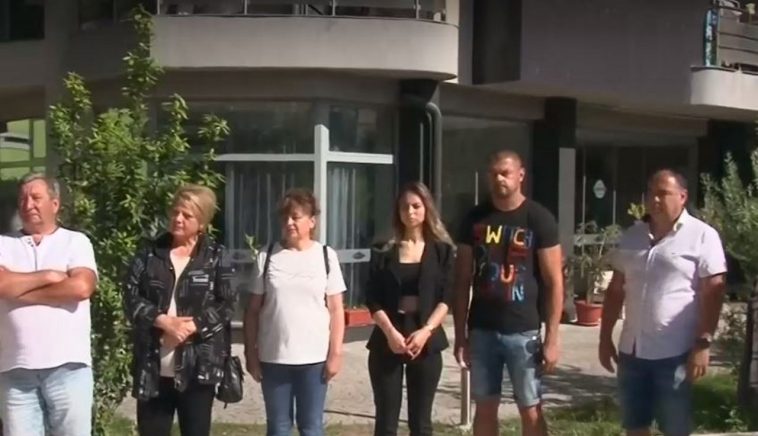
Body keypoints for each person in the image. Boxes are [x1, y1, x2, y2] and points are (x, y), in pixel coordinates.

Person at [598, 169, 727, 436]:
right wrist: (604, 337)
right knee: (635, 425)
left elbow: (713, 292)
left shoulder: (702, 236)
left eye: (663, 194)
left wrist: (703, 342)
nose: (655, 200)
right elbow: (615, 291)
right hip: (632, 352)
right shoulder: (633, 236)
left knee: (675, 428)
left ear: (682, 197)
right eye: (651, 193)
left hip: (675, 353)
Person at [453, 150, 564, 436]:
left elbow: (554, 282)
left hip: (523, 331)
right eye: (494, 174)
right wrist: (461, 336)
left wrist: (552, 338)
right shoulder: (474, 218)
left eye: (505, 173)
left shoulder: (538, 218)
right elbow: (462, 280)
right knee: (485, 408)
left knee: (531, 408)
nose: (499, 179)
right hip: (482, 331)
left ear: (520, 175)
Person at [122, 184, 237, 436]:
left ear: (202, 222)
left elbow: (227, 303)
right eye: (175, 212)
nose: (178, 219)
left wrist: (191, 327)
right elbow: (130, 298)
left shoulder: (216, 257)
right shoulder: (149, 254)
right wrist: (162, 321)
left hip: (198, 368)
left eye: (187, 215)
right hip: (153, 366)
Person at [0, 172, 98, 436]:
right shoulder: (3, 244)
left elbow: (81, 288)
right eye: (23, 199)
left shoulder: (76, 242)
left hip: (68, 368)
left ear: (54, 204)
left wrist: (17, 291)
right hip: (15, 370)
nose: (28, 204)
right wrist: (48, 276)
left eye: (35, 197)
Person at [244, 188, 346, 436]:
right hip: (274, 358)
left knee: (311, 427)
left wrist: (335, 353)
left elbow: (336, 310)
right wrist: (251, 353)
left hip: (314, 360)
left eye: (296, 217)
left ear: (311, 221)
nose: (289, 223)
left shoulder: (325, 256)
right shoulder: (267, 255)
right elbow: (253, 310)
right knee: (278, 428)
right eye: (285, 218)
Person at [365, 181, 455, 436]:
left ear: (427, 208)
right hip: (388, 339)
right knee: (385, 423)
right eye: (405, 207)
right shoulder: (383, 249)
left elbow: (446, 297)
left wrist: (426, 330)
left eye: (416, 206)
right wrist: (390, 333)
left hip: (425, 339)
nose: (410, 212)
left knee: (421, 423)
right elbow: (372, 298)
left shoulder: (442, 251)